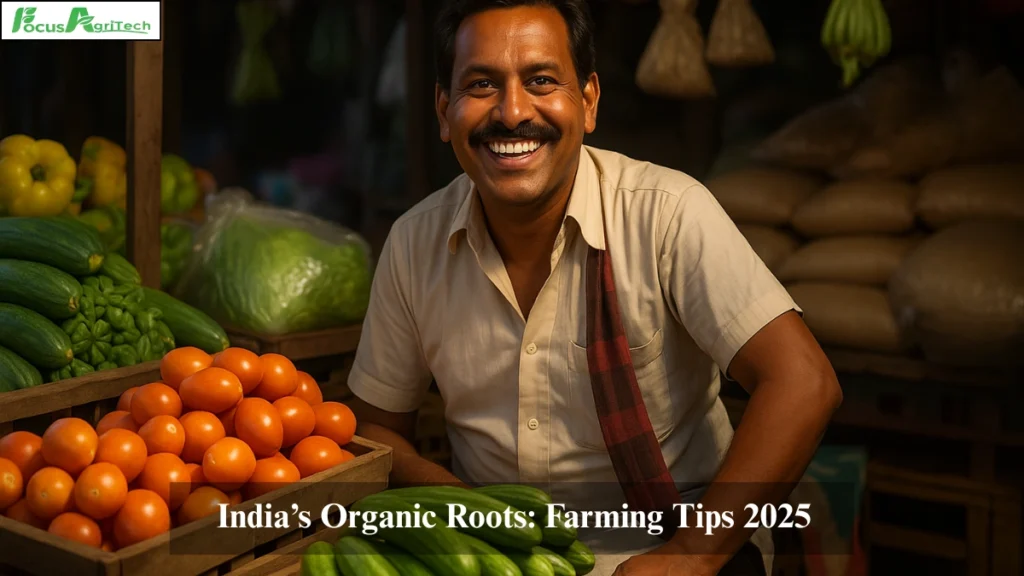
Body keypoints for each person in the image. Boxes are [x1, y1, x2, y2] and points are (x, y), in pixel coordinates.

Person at [346, 1, 843, 574]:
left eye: (540, 80)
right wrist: (463, 509)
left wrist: (694, 555)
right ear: (443, 111)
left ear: (588, 102)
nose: (511, 113)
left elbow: (804, 382)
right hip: (498, 558)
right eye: (481, 84)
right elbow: (375, 426)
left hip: (671, 545)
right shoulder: (413, 243)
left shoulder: (666, 213)